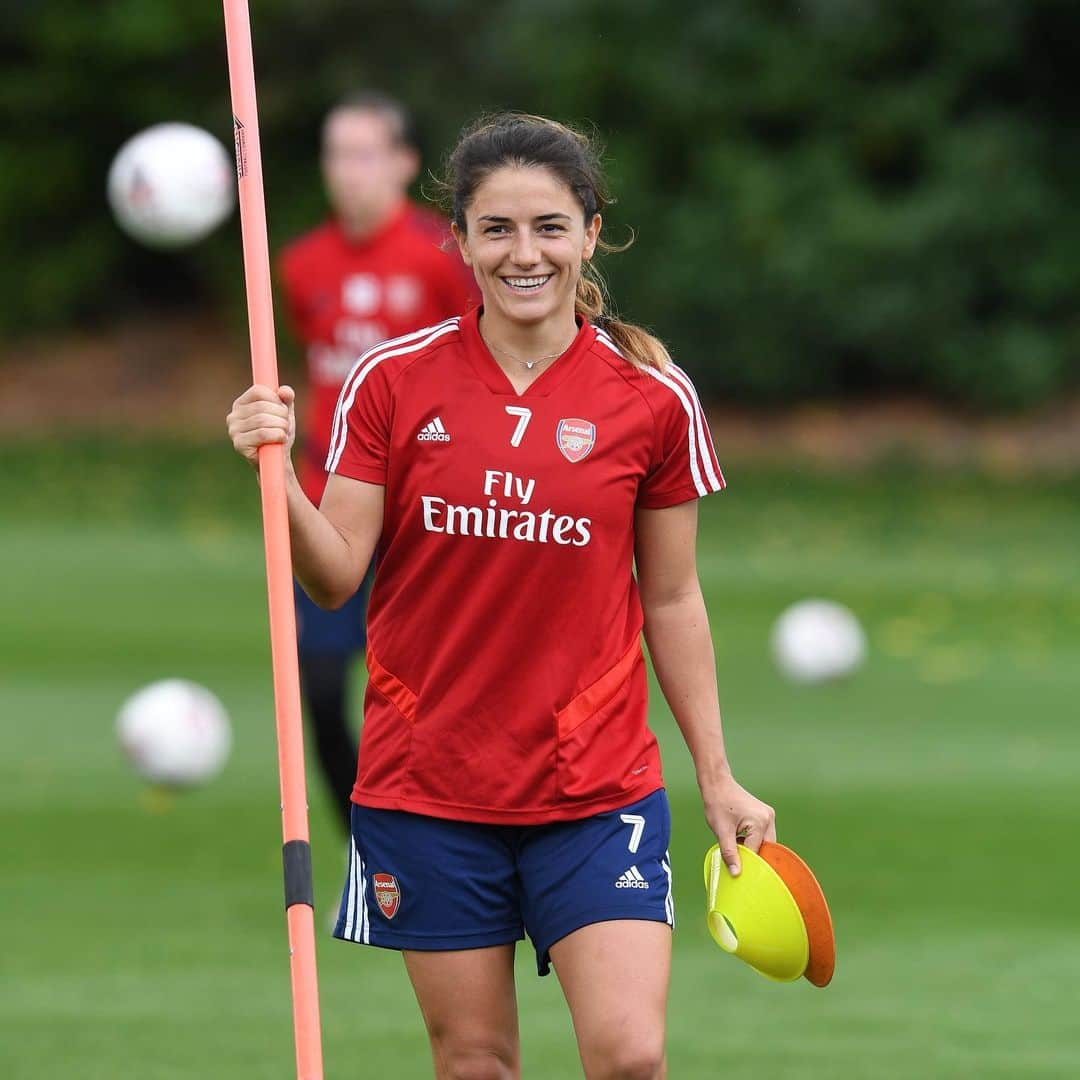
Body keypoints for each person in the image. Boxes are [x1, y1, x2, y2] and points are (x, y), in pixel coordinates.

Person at [229, 113, 775, 1080]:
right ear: (463, 239)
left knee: (630, 1056)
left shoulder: (651, 395)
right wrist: (277, 479)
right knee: (476, 1062)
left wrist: (719, 774)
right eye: (498, 229)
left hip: (595, 783)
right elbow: (334, 573)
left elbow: (675, 600)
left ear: (591, 233)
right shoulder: (391, 382)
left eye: (550, 227)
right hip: (429, 783)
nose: (525, 254)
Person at [277, 91, 477, 830]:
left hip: (424, 513)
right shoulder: (301, 263)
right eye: (335, 153)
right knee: (324, 692)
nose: (347, 171)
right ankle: (369, 846)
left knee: (433, 700)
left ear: (403, 163)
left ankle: (444, 839)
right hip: (329, 502)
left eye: (365, 153)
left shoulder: (442, 258)